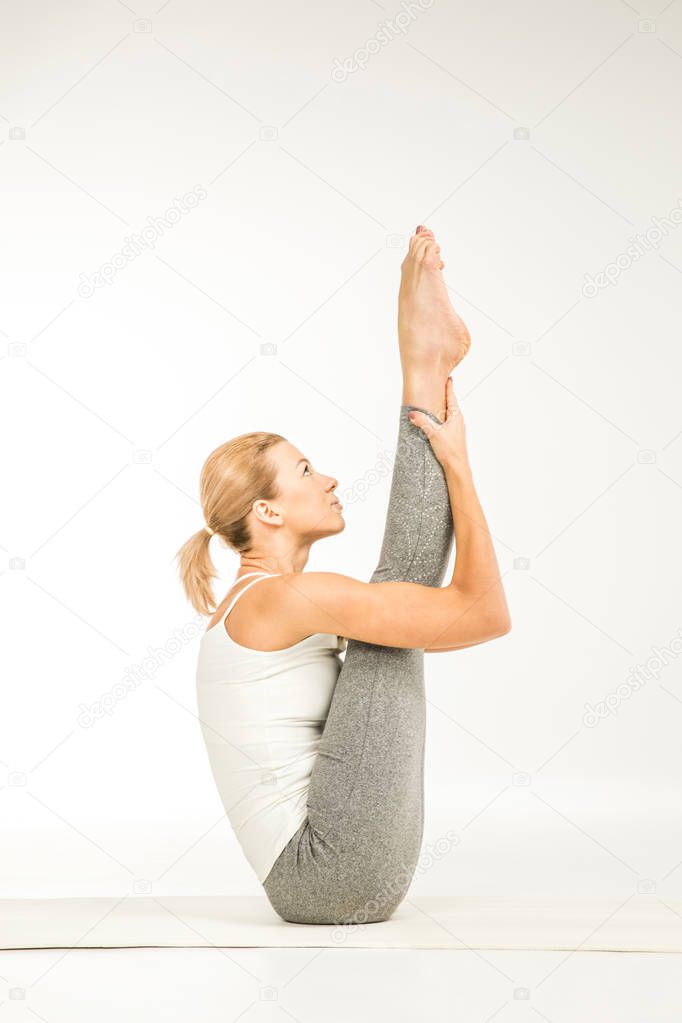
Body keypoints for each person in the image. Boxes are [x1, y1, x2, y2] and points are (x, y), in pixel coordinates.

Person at [176, 226, 511, 925]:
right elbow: (485, 613)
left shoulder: (268, 601)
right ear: (267, 510)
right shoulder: (284, 598)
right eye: (304, 471)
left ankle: (423, 365)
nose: (328, 478)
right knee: (390, 602)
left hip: (342, 873)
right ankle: (421, 369)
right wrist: (459, 467)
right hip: (330, 875)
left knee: (390, 606)